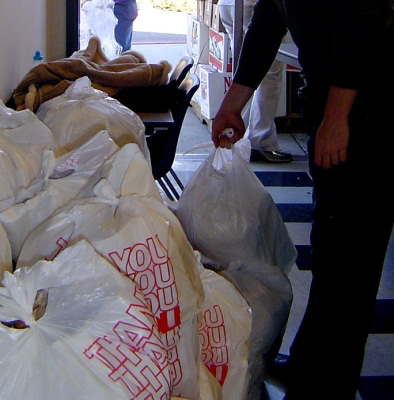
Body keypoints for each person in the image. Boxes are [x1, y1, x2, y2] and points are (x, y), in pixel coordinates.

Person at [212, 0, 394, 399]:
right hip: (335, 100)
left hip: (370, 109)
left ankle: (326, 386)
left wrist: (337, 118)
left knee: (351, 259)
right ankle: (310, 365)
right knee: (333, 247)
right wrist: (234, 101)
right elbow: (269, 18)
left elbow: (364, 17)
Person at [218, 0, 292, 163]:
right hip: (255, 6)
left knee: (246, 70)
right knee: (268, 76)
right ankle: (261, 140)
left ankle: (240, 136)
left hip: (228, 5)